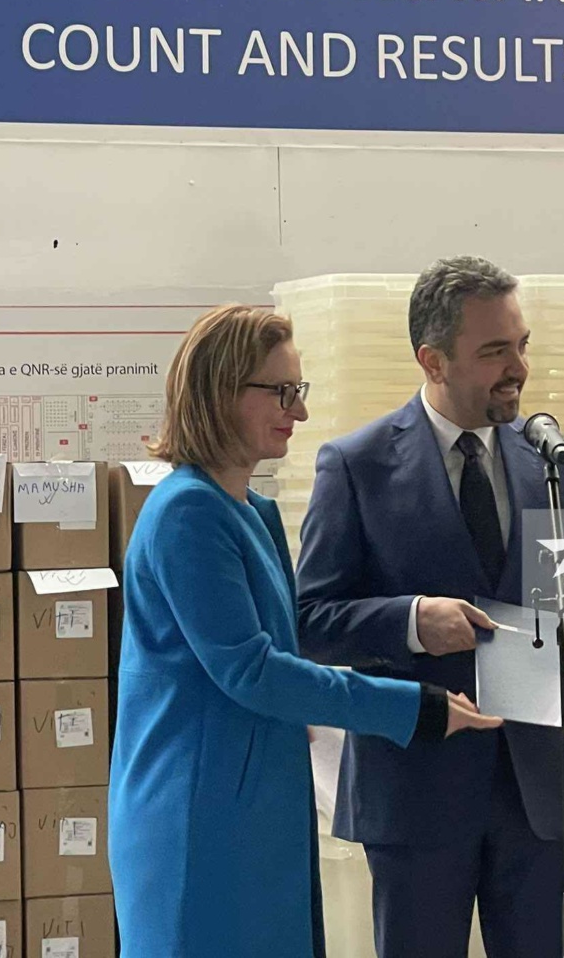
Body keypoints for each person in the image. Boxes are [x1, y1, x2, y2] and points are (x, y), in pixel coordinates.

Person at [108, 304, 501, 958]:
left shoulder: (250, 511)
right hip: (197, 812)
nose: (301, 411)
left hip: (256, 802)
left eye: (300, 391)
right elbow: (253, 671)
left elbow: (280, 653)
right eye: (282, 392)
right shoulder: (187, 514)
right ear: (221, 392)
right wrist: (411, 706)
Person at [294, 257, 564, 958]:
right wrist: (410, 622)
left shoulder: (557, 462)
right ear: (432, 360)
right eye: (494, 352)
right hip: (416, 794)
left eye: (522, 345)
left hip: (542, 796)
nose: (518, 368)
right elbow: (309, 621)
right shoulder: (357, 465)